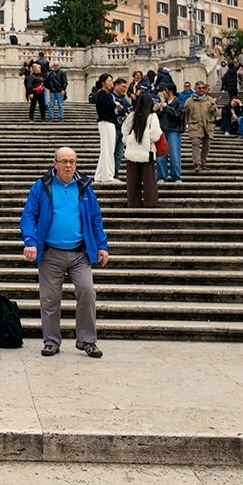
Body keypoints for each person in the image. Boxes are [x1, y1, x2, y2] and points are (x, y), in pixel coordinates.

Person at [19, 147, 108, 358]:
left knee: (87, 292)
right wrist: (30, 241)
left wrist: (102, 245)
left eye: (72, 161)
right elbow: (29, 216)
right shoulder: (42, 186)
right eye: (64, 161)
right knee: (49, 300)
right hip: (51, 253)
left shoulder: (84, 187)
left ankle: (87, 340)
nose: (68, 165)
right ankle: (51, 341)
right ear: (55, 163)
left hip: (79, 253)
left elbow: (95, 218)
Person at [121, 95, 161, 207]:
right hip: (146, 152)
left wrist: (128, 141)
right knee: (149, 180)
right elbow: (156, 135)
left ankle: (133, 202)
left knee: (132, 180)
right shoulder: (152, 117)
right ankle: (150, 202)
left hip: (132, 152)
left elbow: (124, 131)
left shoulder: (131, 116)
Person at [184, 81, 218, 172]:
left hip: (207, 125)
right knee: (195, 143)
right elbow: (185, 113)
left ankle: (203, 162)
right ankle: (197, 163)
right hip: (195, 125)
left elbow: (217, 113)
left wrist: (213, 109)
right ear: (195, 88)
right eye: (199, 88)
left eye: (203, 88)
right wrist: (185, 124)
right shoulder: (189, 101)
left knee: (207, 145)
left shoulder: (209, 99)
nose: (201, 89)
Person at [154, 86, 185, 183]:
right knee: (160, 155)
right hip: (162, 130)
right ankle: (161, 176)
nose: (162, 93)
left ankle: (176, 176)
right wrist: (156, 110)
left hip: (173, 130)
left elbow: (179, 115)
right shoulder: (163, 104)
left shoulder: (178, 103)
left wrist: (166, 107)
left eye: (164, 91)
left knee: (174, 154)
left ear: (170, 92)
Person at [93, 74, 119, 184]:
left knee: (106, 150)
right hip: (106, 122)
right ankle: (108, 176)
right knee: (108, 150)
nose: (111, 83)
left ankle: (100, 175)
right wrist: (114, 104)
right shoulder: (102, 94)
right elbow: (104, 106)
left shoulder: (105, 94)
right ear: (103, 82)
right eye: (109, 81)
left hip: (108, 123)